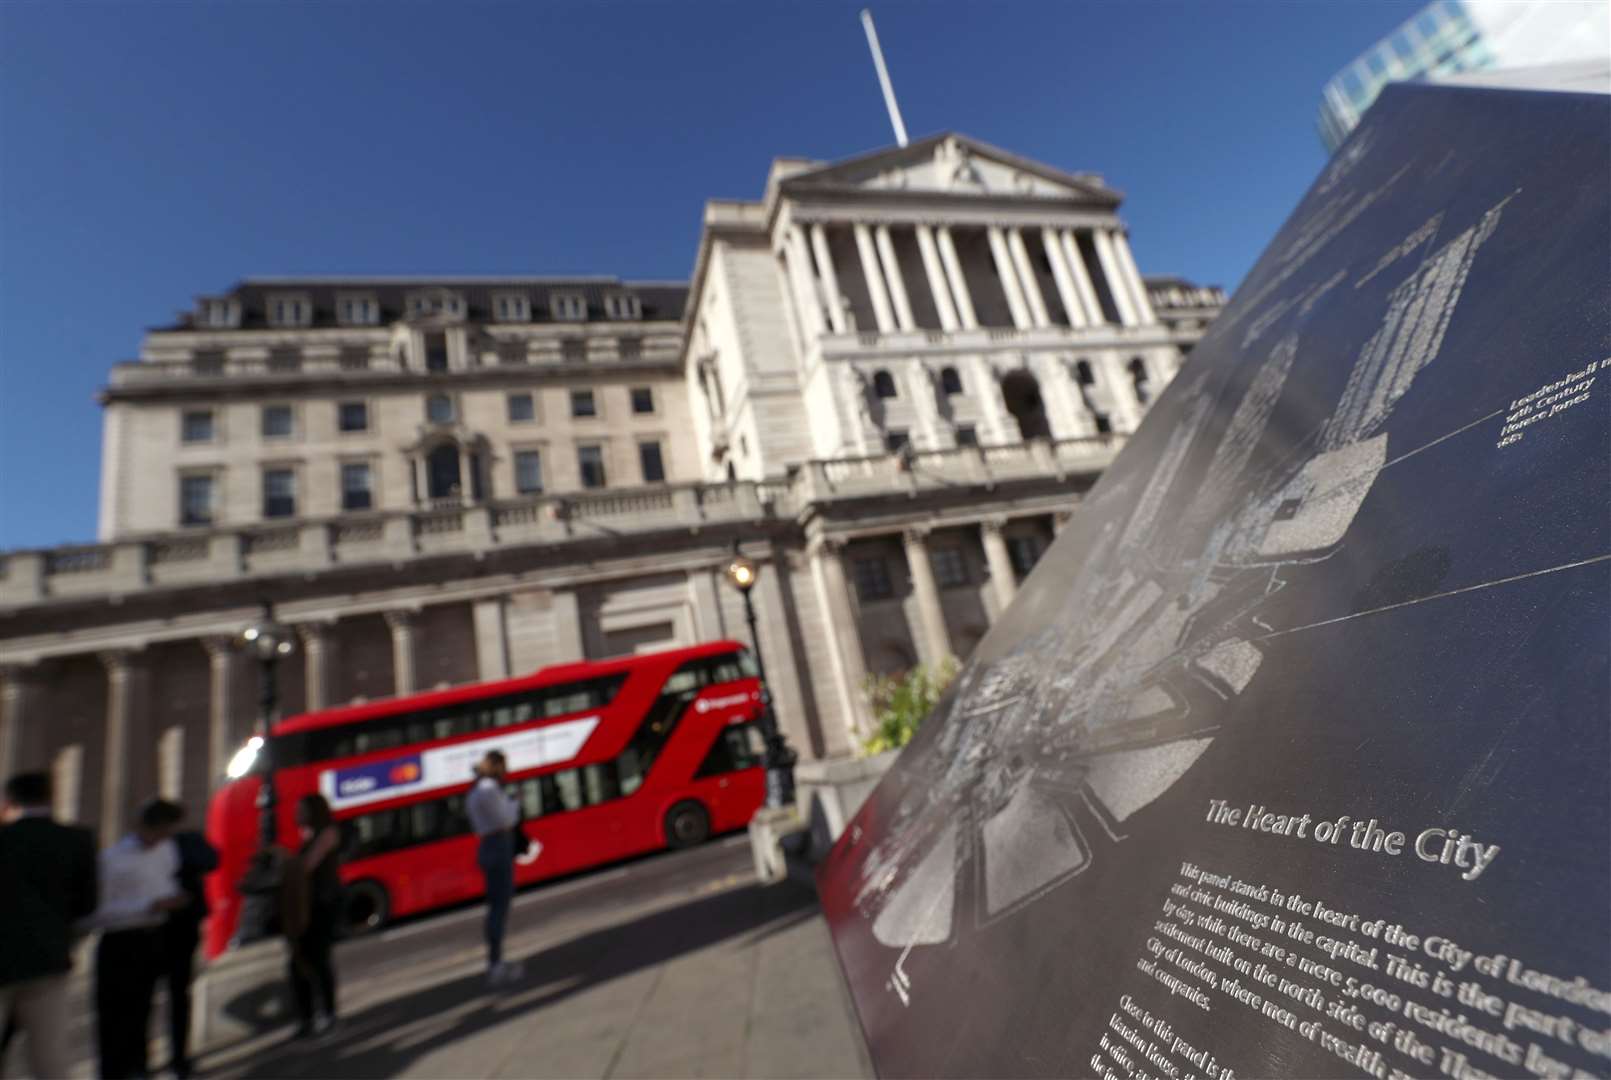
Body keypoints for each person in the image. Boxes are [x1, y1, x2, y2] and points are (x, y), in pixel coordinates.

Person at [0, 771, 98, 1080]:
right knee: (50, 1057)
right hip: (49, 958)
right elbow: (88, 905)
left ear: (10, 800)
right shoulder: (77, 839)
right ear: (51, 796)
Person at [90, 797, 186, 1080]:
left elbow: (168, 879)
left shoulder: (167, 850)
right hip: (120, 942)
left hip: (154, 939)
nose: (163, 839)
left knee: (143, 1010)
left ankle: (139, 1068)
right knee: (113, 1016)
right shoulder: (111, 860)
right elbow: (97, 913)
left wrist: (171, 899)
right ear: (145, 827)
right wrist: (147, 906)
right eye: (160, 832)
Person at [161, 817, 218, 1079]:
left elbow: (213, 859)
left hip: (181, 927)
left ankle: (179, 1057)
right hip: (147, 930)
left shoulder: (186, 842)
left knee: (179, 994)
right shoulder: (135, 849)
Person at [286, 793, 342, 1038]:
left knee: (319, 960)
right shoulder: (306, 836)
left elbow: (308, 865)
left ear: (313, 811)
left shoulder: (327, 833)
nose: (296, 815)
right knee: (298, 963)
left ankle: (328, 1014)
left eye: (300, 809)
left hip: (321, 905)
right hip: (304, 906)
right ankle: (306, 1017)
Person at [466, 750, 524, 986]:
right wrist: (515, 802)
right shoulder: (488, 789)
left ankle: (496, 961)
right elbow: (506, 819)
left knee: (496, 906)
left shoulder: (476, 789)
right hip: (498, 844)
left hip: (489, 845)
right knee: (500, 906)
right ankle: (496, 964)